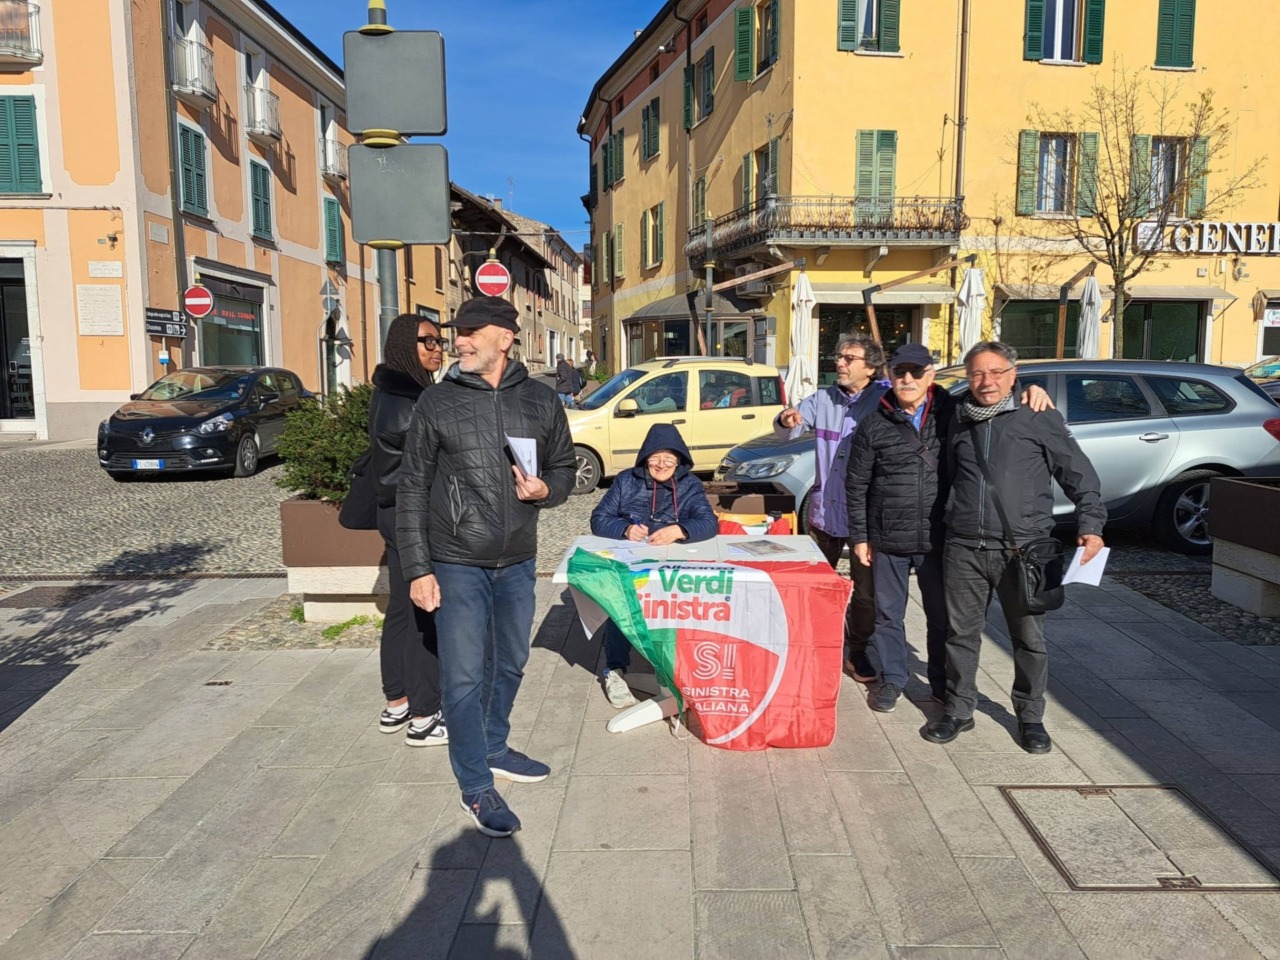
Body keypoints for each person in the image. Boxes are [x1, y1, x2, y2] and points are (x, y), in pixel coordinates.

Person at [397, 296, 576, 838]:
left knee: (513, 662)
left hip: (518, 558)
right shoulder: (438, 402)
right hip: (455, 561)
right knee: (464, 675)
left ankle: (495, 745)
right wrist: (417, 569)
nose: (460, 340)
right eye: (459, 332)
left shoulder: (541, 401)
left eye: (472, 331)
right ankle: (475, 785)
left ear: (506, 337)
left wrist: (547, 489)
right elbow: (411, 487)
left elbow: (565, 467)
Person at [846, 344, 1054, 714]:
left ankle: (942, 682)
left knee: (942, 618)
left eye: (915, 371)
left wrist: (1032, 389)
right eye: (900, 372)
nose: (906, 379)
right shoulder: (873, 423)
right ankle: (894, 678)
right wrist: (860, 536)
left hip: (938, 536)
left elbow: (994, 399)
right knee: (887, 615)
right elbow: (857, 483)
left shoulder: (955, 414)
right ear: (890, 376)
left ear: (930, 374)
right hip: (887, 536)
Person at [924, 341, 1105, 755]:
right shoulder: (957, 416)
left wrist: (1092, 524)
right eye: (976, 374)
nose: (986, 382)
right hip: (964, 545)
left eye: (996, 372)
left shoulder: (1037, 414)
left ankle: (1030, 717)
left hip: (1024, 549)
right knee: (960, 634)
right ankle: (958, 708)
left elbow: (1079, 473)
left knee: (1028, 638)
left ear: (1013, 373)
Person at [775, 334, 886, 683]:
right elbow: (788, 426)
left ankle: (857, 649)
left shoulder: (884, 399)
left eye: (849, 358)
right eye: (839, 356)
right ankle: (815, 642)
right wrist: (787, 418)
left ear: (869, 366)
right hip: (825, 511)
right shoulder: (823, 398)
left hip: (865, 517)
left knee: (865, 591)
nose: (840, 363)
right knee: (817, 583)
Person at [589, 423, 719, 707]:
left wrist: (680, 529)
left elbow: (709, 523)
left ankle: (679, 668)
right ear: (645, 457)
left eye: (669, 458)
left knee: (681, 605)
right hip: (632, 562)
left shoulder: (690, 485)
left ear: (680, 460)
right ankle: (615, 668)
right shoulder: (626, 481)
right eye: (655, 457)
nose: (661, 464)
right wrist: (624, 529)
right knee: (619, 602)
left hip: (673, 567)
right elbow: (599, 518)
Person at [368, 314, 448, 746]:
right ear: (403, 345)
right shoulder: (412, 400)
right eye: (426, 341)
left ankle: (396, 702)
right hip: (412, 514)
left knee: (401, 609)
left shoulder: (389, 391)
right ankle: (424, 716)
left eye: (439, 341)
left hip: (394, 512)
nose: (436, 348)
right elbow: (429, 465)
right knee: (424, 611)